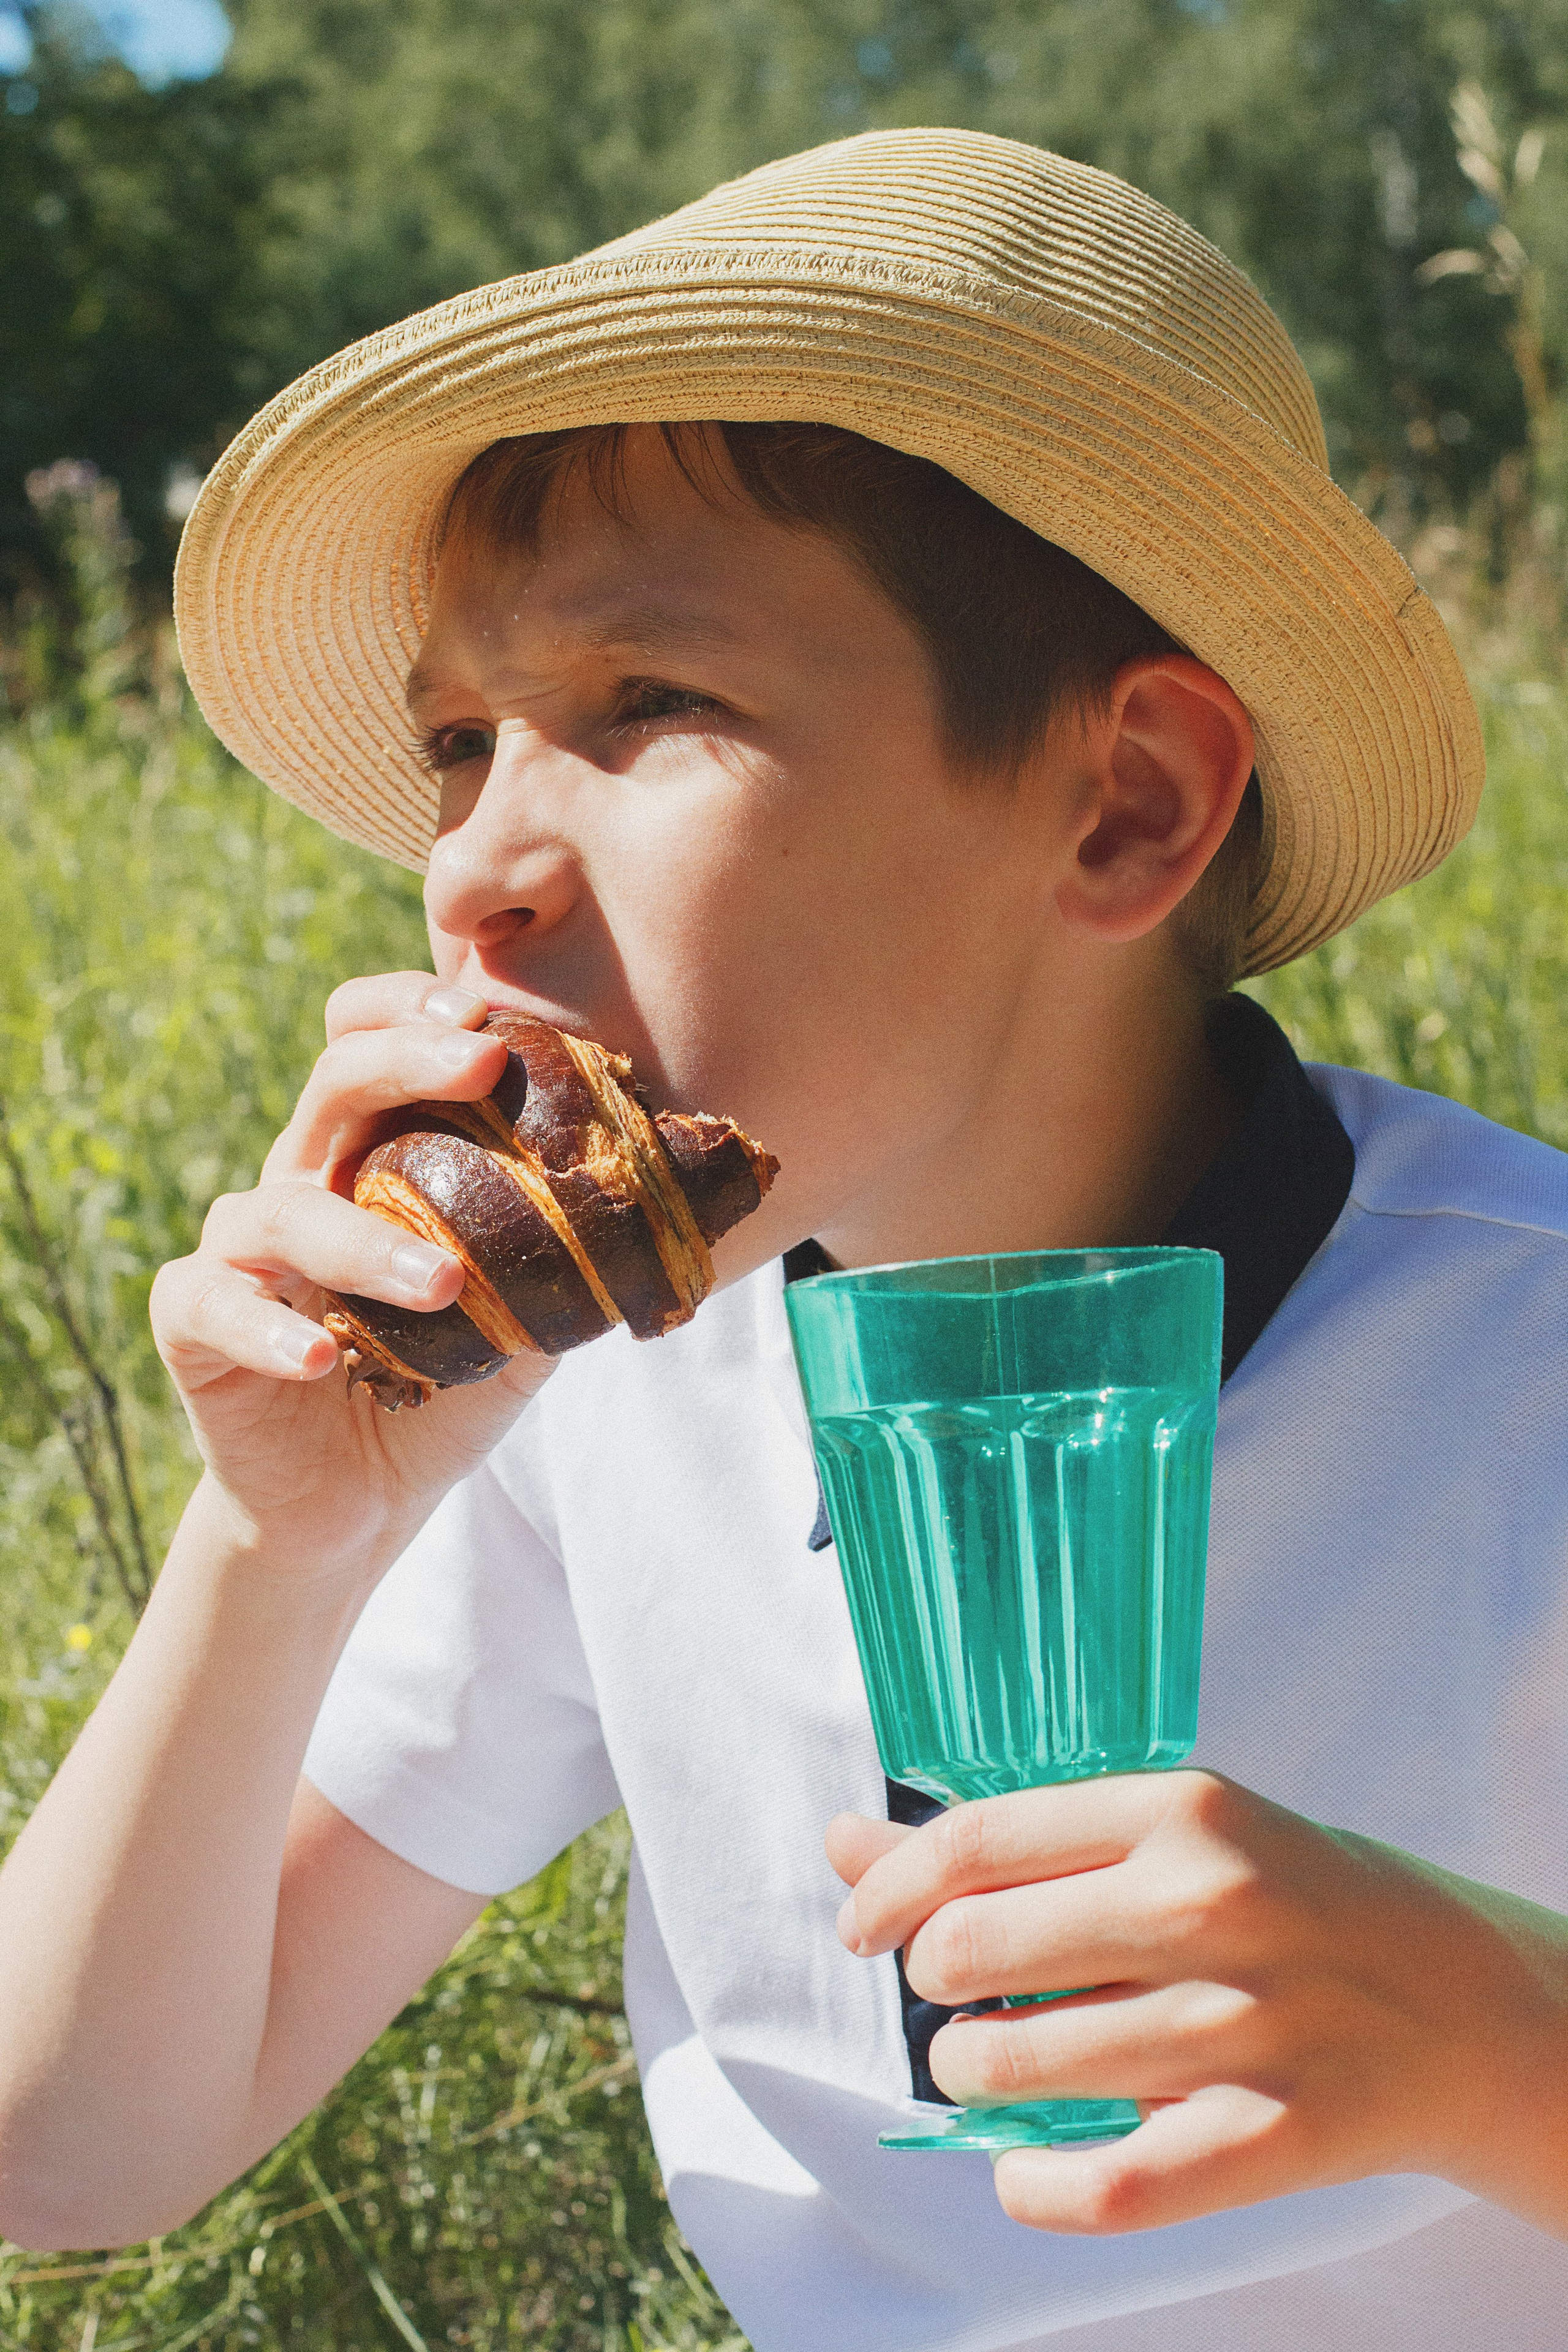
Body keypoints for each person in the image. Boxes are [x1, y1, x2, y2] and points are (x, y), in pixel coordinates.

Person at [2, 128, 1566, 2351]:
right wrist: (275, 1552)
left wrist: (1514, 2036)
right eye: (461, 741)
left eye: (649, 701)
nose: (473, 870)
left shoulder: (1528, 1351)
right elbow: (69, 2154)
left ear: (1123, 803)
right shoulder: (597, 1394)